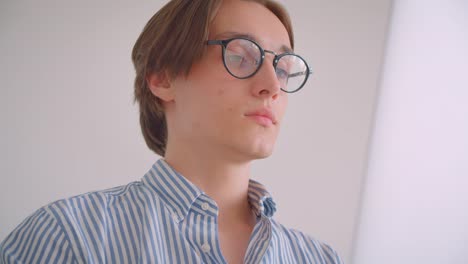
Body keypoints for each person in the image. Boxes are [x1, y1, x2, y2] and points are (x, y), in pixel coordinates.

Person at [0, 0, 342, 263]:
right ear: (163, 78)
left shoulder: (319, 258)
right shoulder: (68, 237)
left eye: (282, 67)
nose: (272, 86)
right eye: (240, 56)